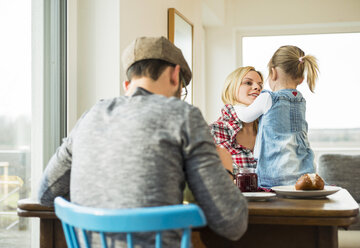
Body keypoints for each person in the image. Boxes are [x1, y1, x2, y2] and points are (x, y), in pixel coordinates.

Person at [37, 36, 248, 247]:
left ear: (127, 85)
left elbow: (46, 194)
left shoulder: (90, 115)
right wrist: (225, 170)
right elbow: (231, 222)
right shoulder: (183, 115)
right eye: (181, 91)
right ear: (175, 75)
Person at [235, 45, 319, 188]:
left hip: (275, 174)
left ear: (273, 73)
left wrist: (236, 105)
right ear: (301, 79)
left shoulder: (268, 98)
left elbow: (246, 116)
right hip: (302, 173)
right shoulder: (300, 99)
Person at [210, 66, 264, 175]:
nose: (257, 87)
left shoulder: (268, 130)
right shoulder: (214, 131)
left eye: (260, 85)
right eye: (248, 83)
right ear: (232, 88)